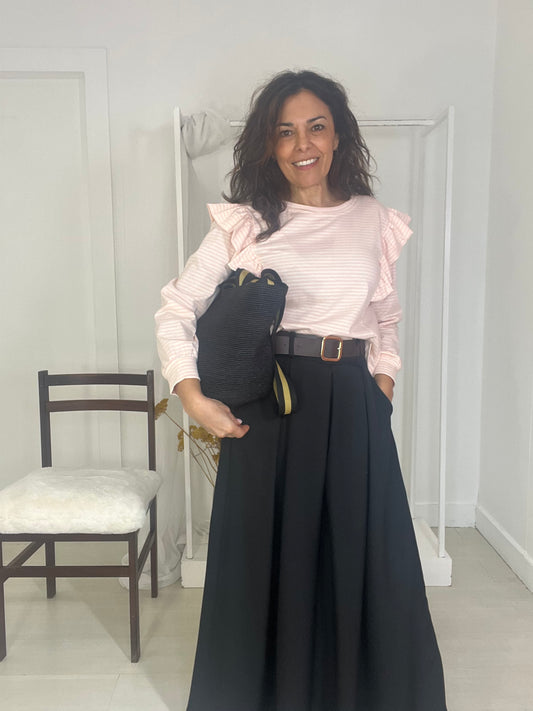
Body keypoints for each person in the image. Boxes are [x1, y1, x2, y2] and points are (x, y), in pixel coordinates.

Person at [155, 69, 447, 711]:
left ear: (338, 136)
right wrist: (192, 395)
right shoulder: (244, 224)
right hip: (270, 407)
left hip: (353, 404)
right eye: (285, 132)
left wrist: (381, 388)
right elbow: (177, 307)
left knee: (363, 556)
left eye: (316, 126)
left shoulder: (373, 220)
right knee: (266, 559)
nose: (302, 143)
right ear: (269, 144)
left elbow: (386, 319)